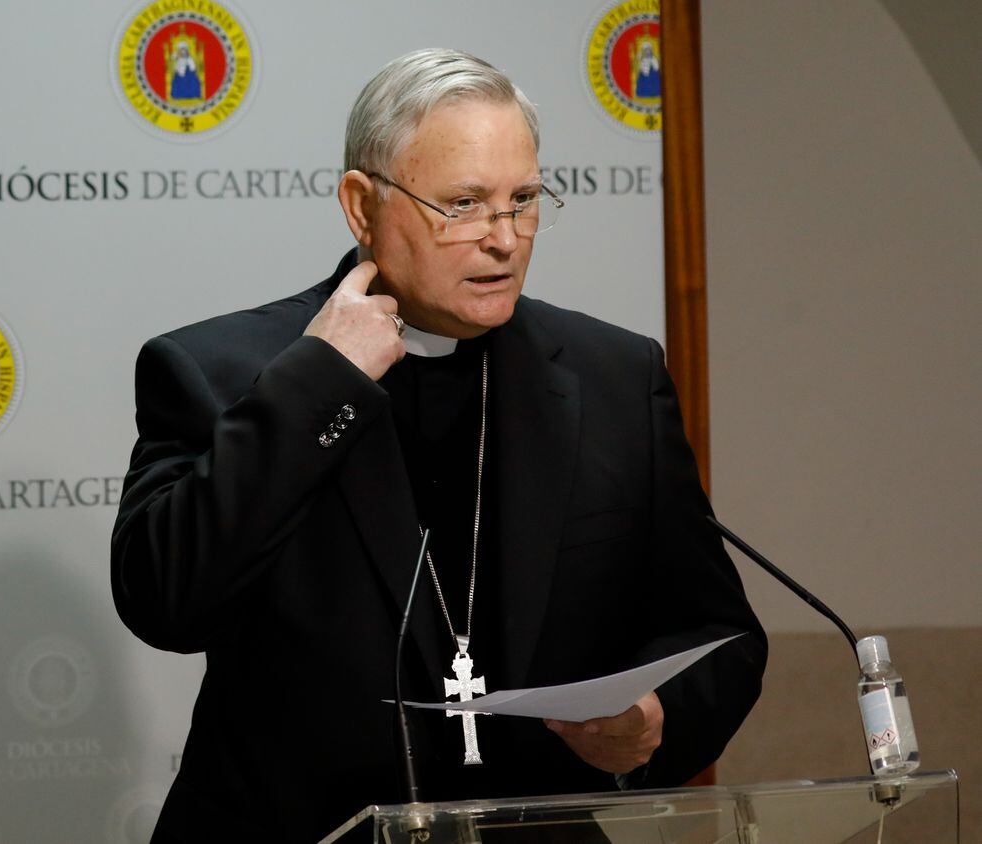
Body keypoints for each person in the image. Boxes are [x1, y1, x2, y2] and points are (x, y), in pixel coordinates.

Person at [111, 48, 766, 842]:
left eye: (523, 200)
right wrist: (319, 385)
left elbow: (717, 636)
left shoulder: (613, 378)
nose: (505, 240)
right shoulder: (220, 373)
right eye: (463, 204)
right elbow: (166, 600)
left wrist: (655, 721)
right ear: (362, 206)